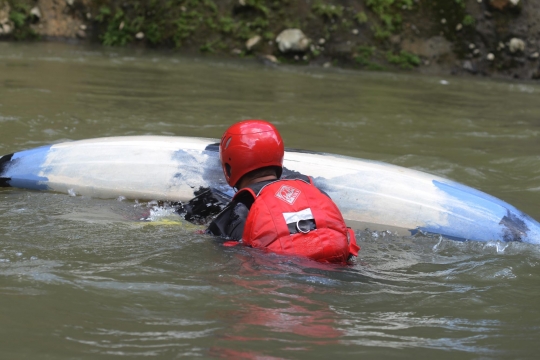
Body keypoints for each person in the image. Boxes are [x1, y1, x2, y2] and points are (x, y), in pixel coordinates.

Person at [207, 119, 359, 264]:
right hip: (337, 264)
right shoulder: (314, 190)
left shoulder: (239, 210)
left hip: (279, 272)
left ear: (228, 167)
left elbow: (211, 242)